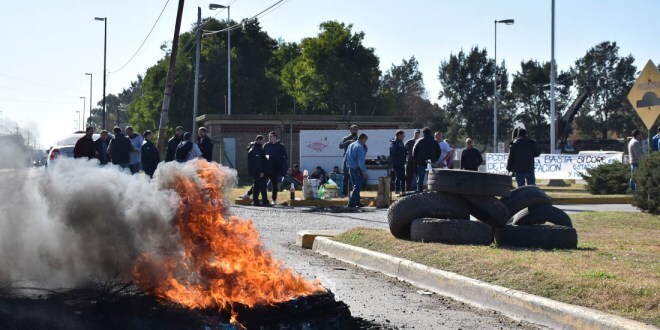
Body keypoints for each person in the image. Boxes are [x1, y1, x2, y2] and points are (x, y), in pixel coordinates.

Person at [412, 127, 440, 192]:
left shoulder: (419, 141)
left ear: (423, 133)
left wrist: (416, 160)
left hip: (421, 162)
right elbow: (439, 151)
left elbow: (414, 152)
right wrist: (435, 160)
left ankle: (419, 191)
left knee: (420, 178)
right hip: (431, 163)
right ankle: (431, 191)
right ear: (430, 133)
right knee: (432, 178)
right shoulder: (434, 141)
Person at [345, 133, 368, 208]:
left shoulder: (351, 145)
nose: (365, 141)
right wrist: (364, 171)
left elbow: (346, 157)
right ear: (363, 139)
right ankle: (351, 203)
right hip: (357, 169)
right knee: (357, 187)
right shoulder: (360, 147)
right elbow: (361, 161)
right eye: (365, 140)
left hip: (350, 168)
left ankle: (357, 202)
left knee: (355, 185)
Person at [247, 135, 270, 207]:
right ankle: (259, 201)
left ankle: (262, 201)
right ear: (259, 140)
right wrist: (261, 171)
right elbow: (257, 162)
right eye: (263, 140)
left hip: (257, 171)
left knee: (261, 186)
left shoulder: (257, 147)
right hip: (258, 172)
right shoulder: (256, 148)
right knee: (259, 186)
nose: (264, 142)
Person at [339, 125, 359, 196]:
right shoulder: (346, 138)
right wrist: (348, 142)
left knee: (354, 177)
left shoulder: (358, 138)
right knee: (345, 176)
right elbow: (340, 146)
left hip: (355, 160)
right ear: (350, 130)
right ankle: (344, 193)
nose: (355, 131)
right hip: (346, 159)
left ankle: (354, 193)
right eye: (354, 130)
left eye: (356, 130)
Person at [389, 130, 406, 195]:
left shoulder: (401, 143)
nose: (404, 136)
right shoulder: (394, 143)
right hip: (396, 163)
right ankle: (397, 191)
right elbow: (393, 152)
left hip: (402, 163)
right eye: (402, 135)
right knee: (398, 177)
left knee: (403, 177)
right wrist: (402, 150)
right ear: (399, 135)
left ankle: (403, 191)